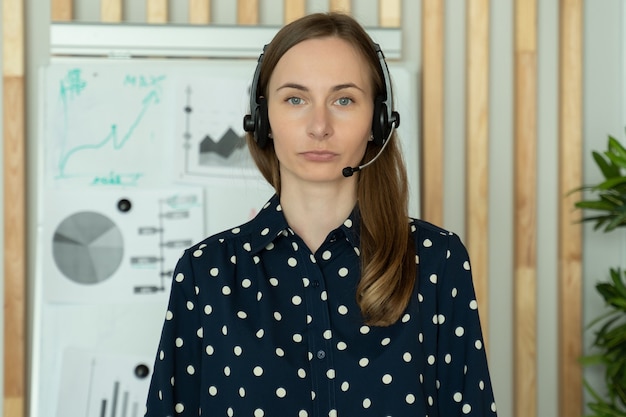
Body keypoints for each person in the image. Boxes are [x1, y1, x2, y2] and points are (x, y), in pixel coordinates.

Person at [144, 12, 498, 417]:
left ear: (377, 122)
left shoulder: (437, 259)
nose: (319, 126)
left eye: (343, 100)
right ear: (263, 120)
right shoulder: (205, 271)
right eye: (296, 99)